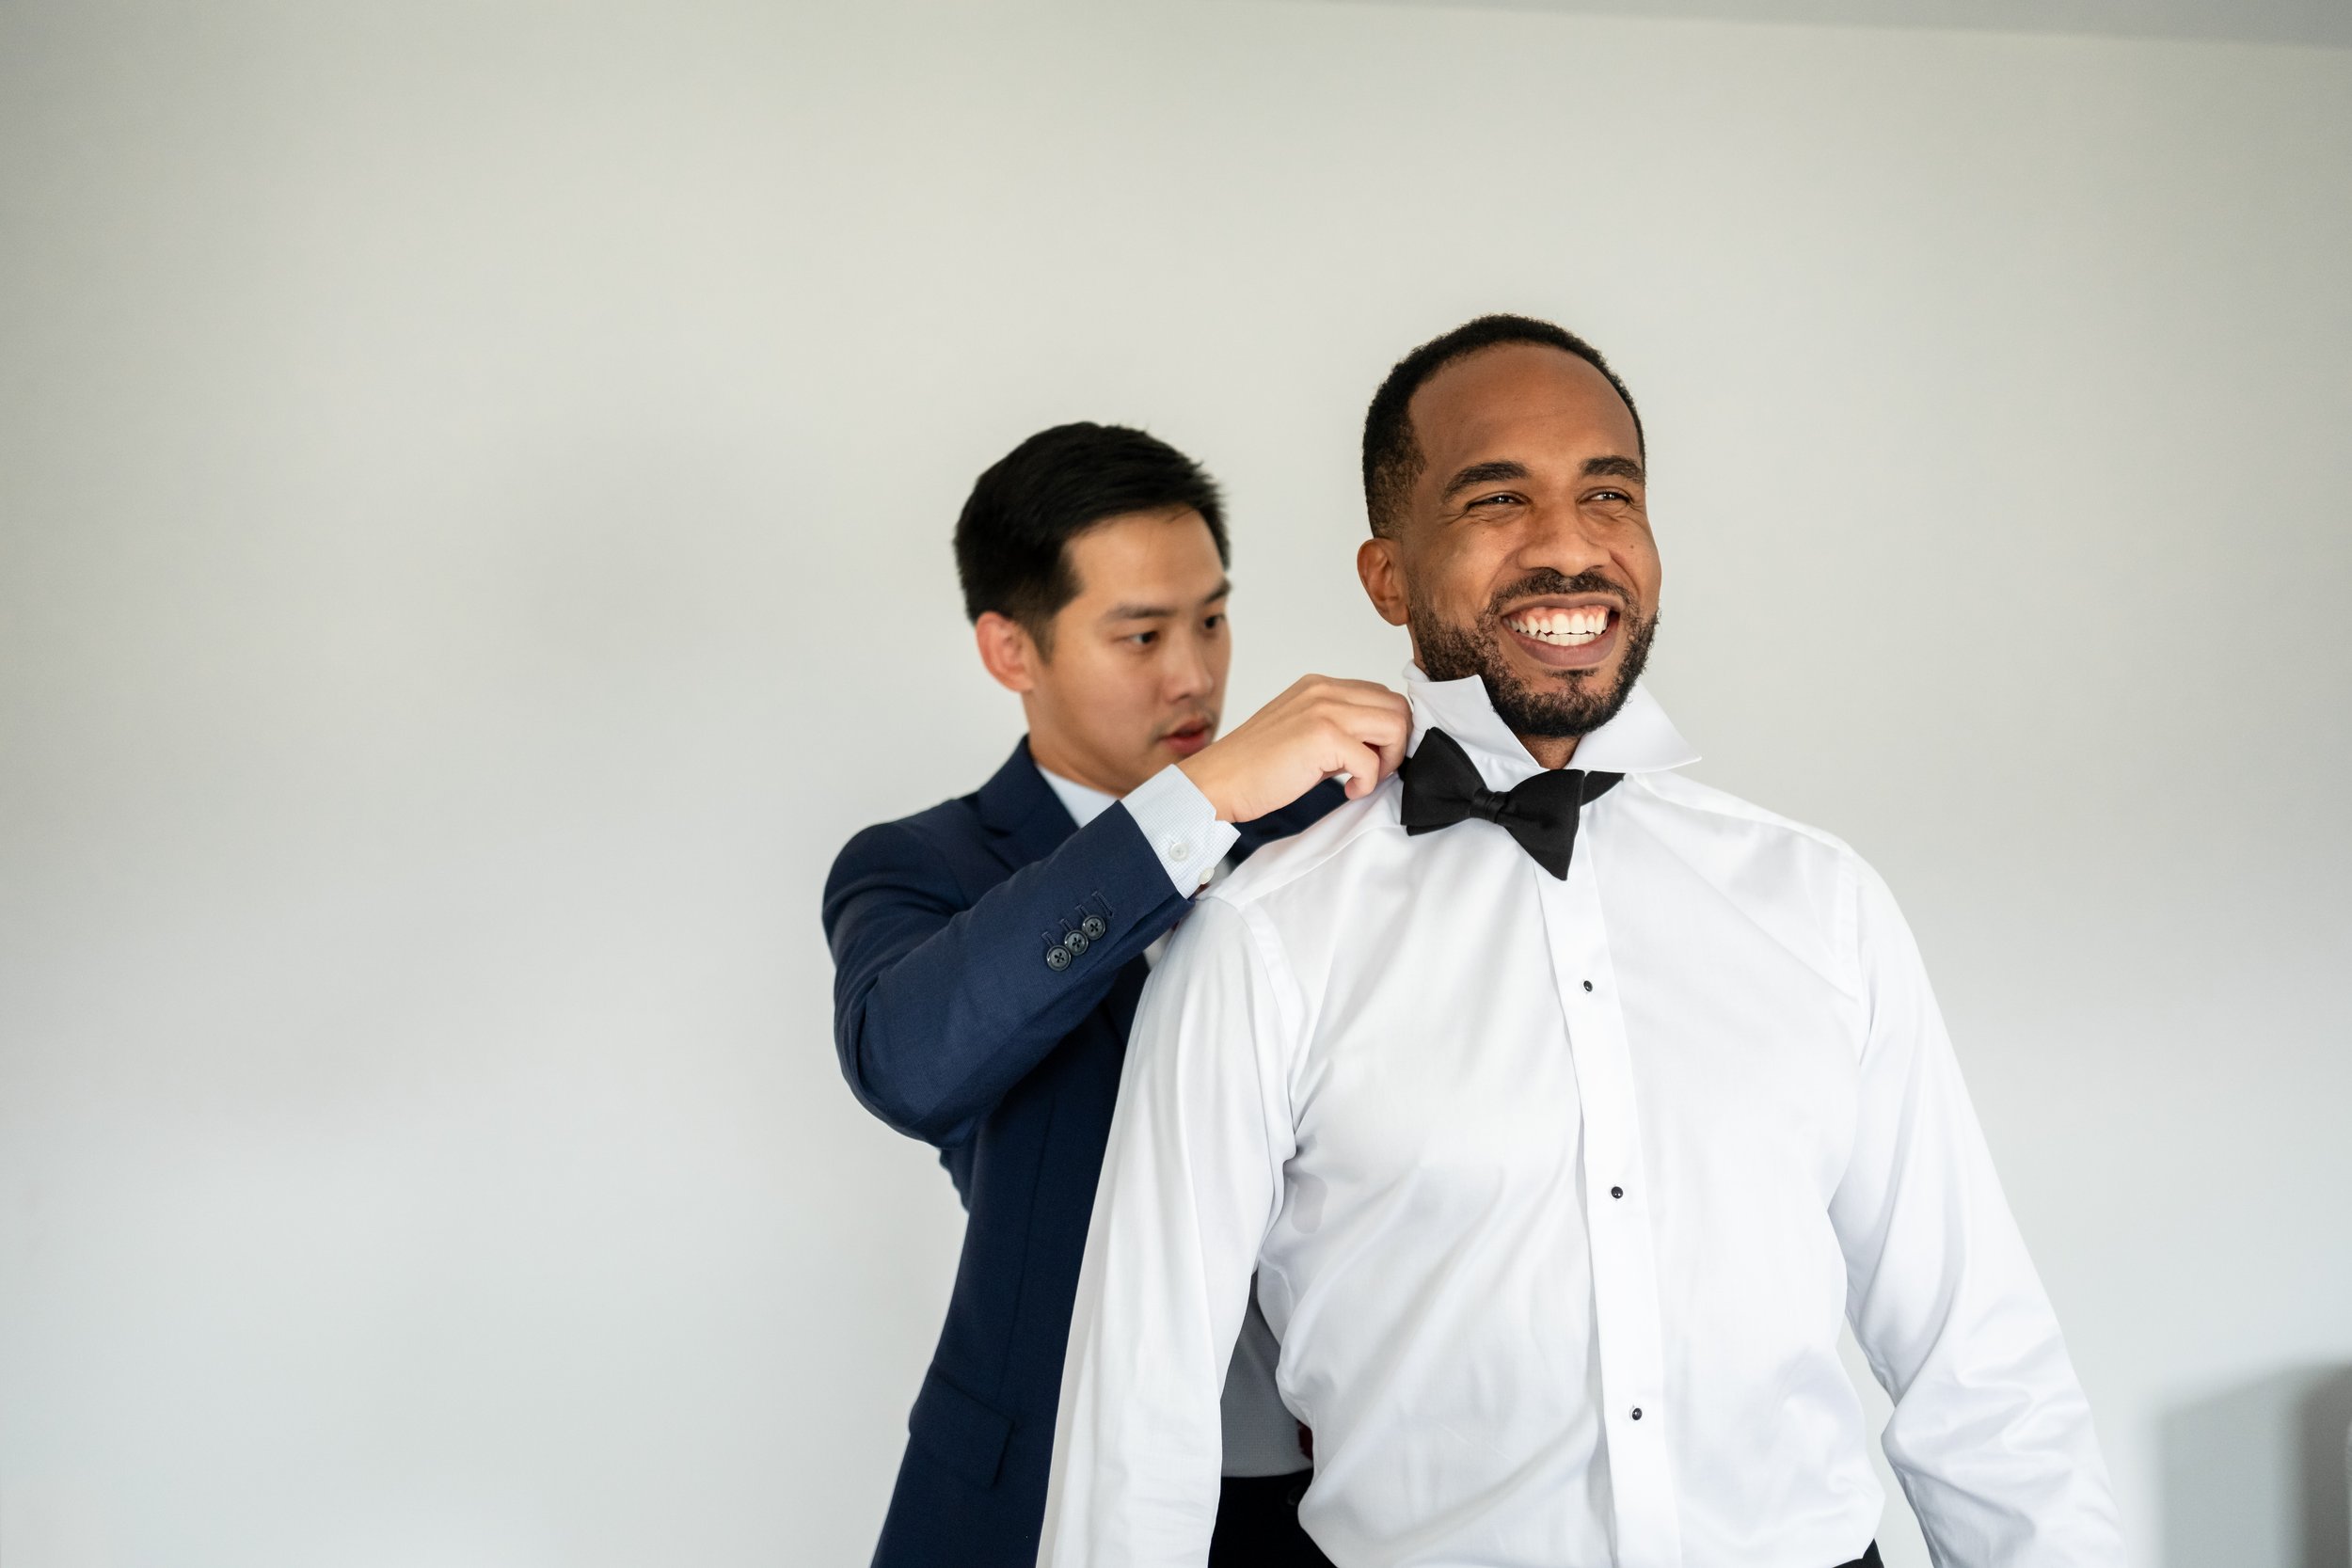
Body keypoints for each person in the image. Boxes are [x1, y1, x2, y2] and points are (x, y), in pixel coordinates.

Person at [1039, 318, 2127, 1568]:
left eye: (1610, 492)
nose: (1568, 543)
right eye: (1497, 497)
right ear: (1388, 576)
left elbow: (1977, 1362)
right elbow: (1140, 1422)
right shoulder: (1255, 940)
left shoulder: (1824, 903)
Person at [822, 421, 1412, 1568]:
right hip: (1043, 1488)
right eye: (1140, 632)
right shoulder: (922, 866)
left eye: (1210, 616)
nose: (1193, 672)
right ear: (1010, 649)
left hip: (1338, 1488)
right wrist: (1195, 800)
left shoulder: (1325, 829)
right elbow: (907, 1057)